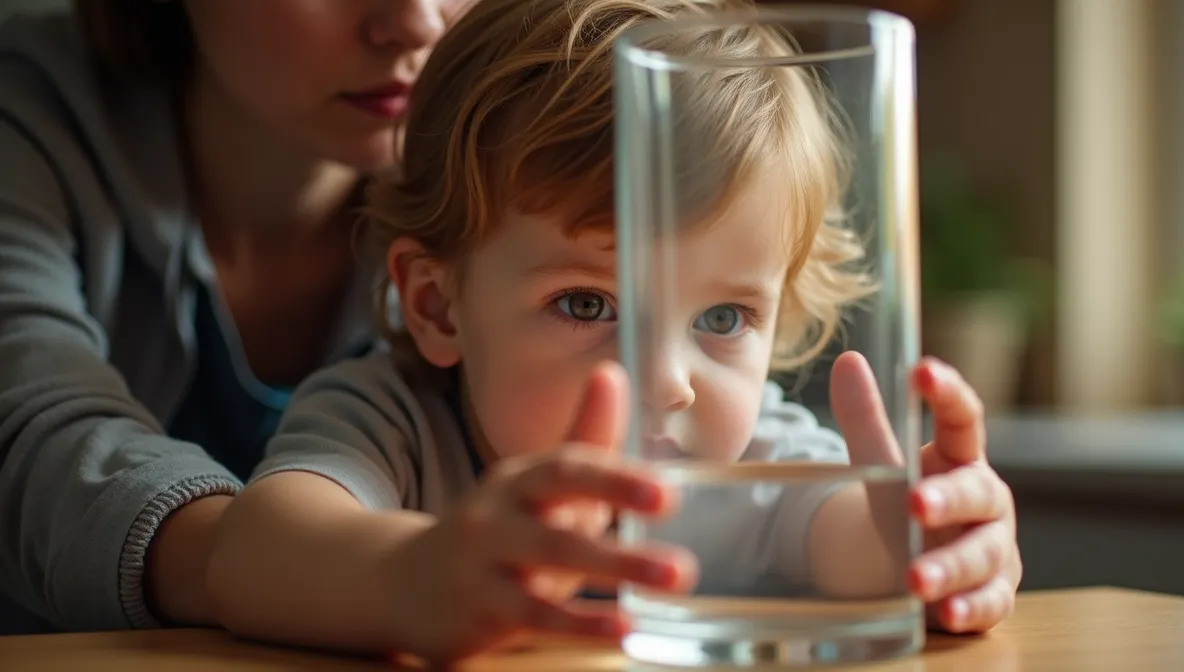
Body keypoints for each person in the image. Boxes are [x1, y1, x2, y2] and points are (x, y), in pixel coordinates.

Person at [205, 0, 1023, 664]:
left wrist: (922, 542)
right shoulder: (393, 423)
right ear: (437, 306)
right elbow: (251, 555)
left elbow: (849, 541)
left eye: (722, 319)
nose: (668, 384)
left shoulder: (752, 461)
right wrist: (412, 575)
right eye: (586, 305)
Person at [0, 0, 474, 633]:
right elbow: (24, 439)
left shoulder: (522, 148)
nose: (418, 24)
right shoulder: (28, 117)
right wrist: (328, 572)